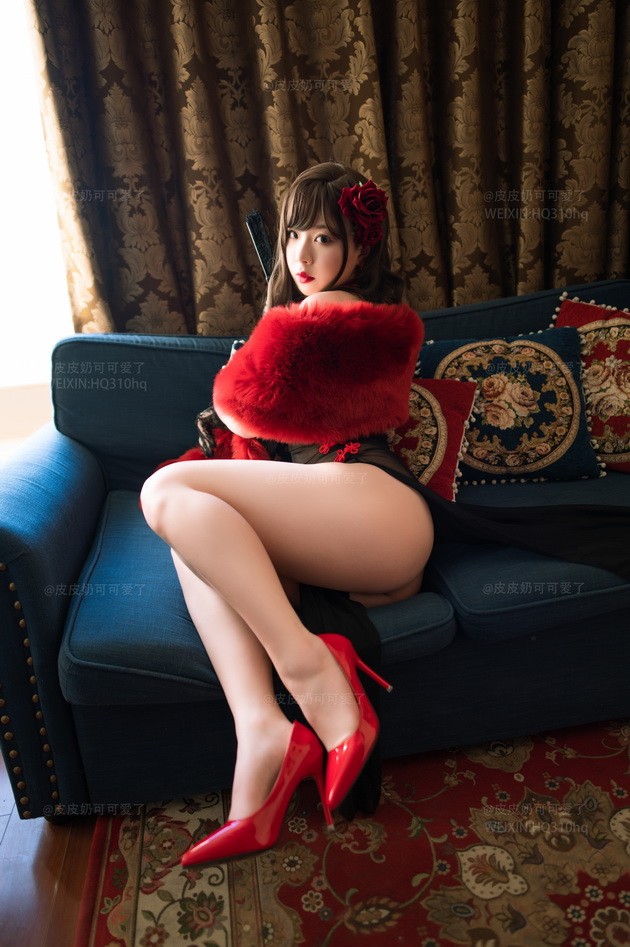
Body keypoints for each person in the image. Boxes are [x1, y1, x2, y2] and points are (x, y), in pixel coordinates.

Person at [140, 162, 433, 866]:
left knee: (164, 491)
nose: (303, 255)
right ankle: (261, 734)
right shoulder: (308, 315)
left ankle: (308, 673)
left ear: (360, 247)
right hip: (351, 547)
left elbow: (238, 404)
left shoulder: (333, 311)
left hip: (375, 505)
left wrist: (267, 334)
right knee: (194, 538)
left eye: (325, 238)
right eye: (294, 234)